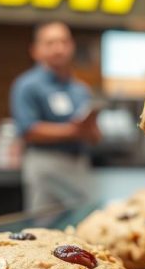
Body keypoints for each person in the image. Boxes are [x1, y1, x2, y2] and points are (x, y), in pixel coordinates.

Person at [10, 21, 100, 211]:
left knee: (81, 223)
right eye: (50, 43)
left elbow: (94, 135)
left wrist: (91, 131)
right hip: (46, 163)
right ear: (35, 50)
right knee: (45, 227)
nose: (58, 48)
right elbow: (28, 130)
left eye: (63, 42)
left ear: (72, 46)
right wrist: (74, 130)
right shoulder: (27, 85)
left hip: (79, 165)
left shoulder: (80, 89)